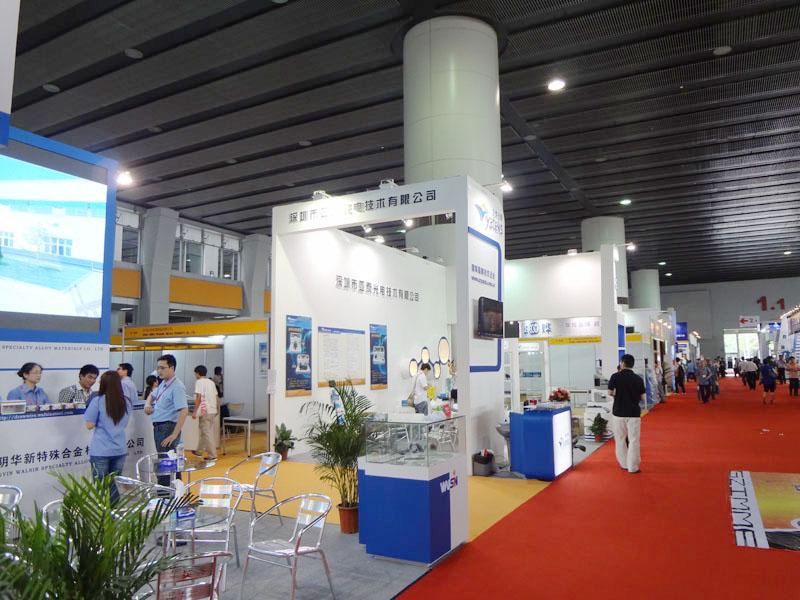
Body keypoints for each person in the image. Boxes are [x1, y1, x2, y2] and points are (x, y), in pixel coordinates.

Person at [84, 370, 130, 505]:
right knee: (114, 484)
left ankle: (104, 516)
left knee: (101, 488)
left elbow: (89, 425)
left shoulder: (97, 401)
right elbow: (124, 424)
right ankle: (114, 513)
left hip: (101, 450)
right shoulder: (126, 402)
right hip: (119, 449)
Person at [144, 354, 188, 486]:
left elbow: (184, 411)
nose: (159, 371)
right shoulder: (164, 384)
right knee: (167, 463)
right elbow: (152, 395)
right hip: (160, 427)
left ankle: (167, 494)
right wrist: (147, 404)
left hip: (167, 428)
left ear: (172, 368)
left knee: (166, 465)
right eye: (158, 368)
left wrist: (174, 434)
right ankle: (174, 493)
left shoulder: (177, 386)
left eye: (162, 368)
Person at [608, 354, 646, 474]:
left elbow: (610, 392)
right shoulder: (638, 379)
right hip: (634, 413)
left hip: (618, 412)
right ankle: (633, 467)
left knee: (620, 439)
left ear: (622, 363)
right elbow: (643, 397)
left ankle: (623, 463)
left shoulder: (615, 376)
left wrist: (618, 397)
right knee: (634, 440)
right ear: (632, 364)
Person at [191, 365, 218, 460]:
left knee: (206, 433)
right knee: (205, 431)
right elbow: (216, 396)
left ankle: (212, 455)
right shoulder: (211, 382)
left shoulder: (199, 382)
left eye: (195, 373)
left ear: (198, 373)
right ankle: (199, 451)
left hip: (205, 410)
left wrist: (194, 411)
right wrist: (216, 408)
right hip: (212, 410)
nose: (195, 375)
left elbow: (198, 397)